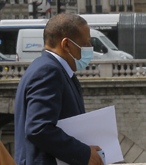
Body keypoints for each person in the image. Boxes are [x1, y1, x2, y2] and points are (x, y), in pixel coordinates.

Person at [14, 13, 103, 165]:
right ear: (66, 44)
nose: (90, 49)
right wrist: (83, 153)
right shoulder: (48, 71)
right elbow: (39, 128)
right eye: (86, 43)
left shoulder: (52, 69)